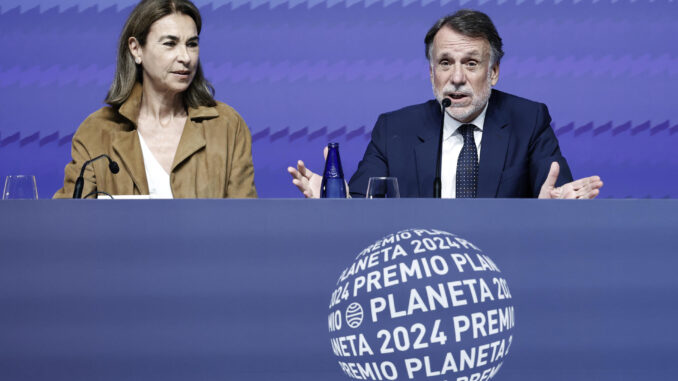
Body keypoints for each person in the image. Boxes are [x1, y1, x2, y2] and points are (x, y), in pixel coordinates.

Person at [288, 10, 602, 199]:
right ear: (431, 73)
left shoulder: (528, 120)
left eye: (471, 63)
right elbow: (361, 207)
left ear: (493, 72)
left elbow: (558, 192)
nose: (456, 78)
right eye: (445, 62)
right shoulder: (394, 129)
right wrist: (338, 201)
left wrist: (549, 211)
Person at [54, 0, 256, 199]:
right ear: (136, 49)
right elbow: (70, 223)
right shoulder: (96, 132)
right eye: (170, 43)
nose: (185, 57)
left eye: (192, 44)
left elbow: (247, 222)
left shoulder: (227, 126)